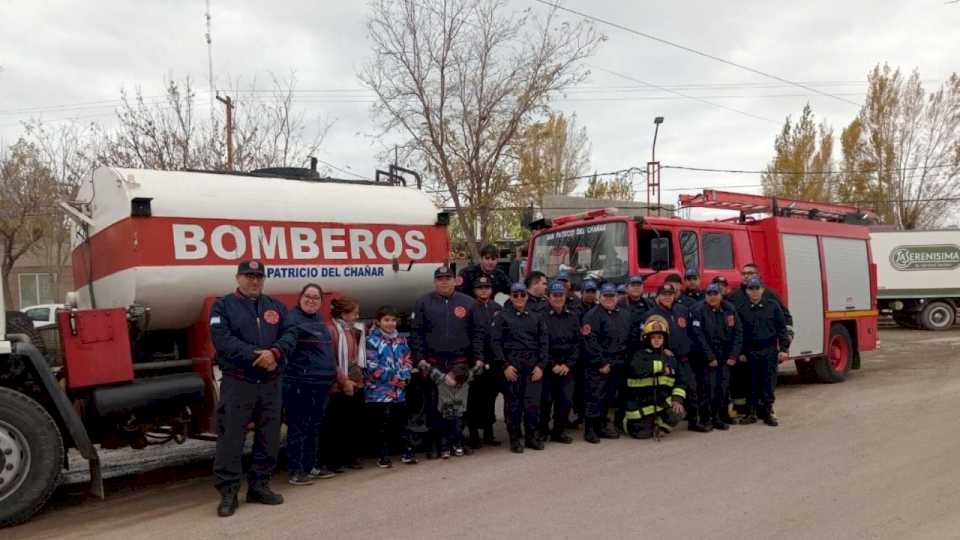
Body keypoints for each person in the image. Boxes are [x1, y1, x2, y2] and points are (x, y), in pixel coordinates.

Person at [209, 260, 296, 517]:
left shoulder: (276, 307)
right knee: (231, 438)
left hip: (270, 383)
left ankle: (259, 486)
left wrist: (275, 353)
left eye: (259, 276)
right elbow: (222, 339)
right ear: (238, 278)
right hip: (238, 382)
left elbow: (290, 334)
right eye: (249, 276)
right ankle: (228, 493)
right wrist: (257, 355)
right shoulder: (223, 306)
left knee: (269, 437)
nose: (254, 281)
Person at [410, 266, 484, 459]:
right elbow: (416, 335)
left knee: (459, 407)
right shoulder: (423, 303)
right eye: (440, 278)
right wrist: (420, 360)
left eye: (447, 278)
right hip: (434, 363)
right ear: (435, 282)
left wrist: (478, 359)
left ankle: (457, 441)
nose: (444, 281)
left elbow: (477, 334)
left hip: (460, 363)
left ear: (455, 280)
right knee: (435, 406)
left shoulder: (468, 303)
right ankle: (436, 444)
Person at [283, 284, 339, 486]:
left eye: (316, 298)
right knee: (298, 427)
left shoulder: (317, 320)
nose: (311, 300)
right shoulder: (291, 319)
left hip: (320, 382)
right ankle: (295, 470)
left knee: (314, 426)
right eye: (308, 296)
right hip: (301, 382)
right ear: (300, 297)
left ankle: (311, 466)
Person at [637, 283, 708, 432]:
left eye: (670, 294)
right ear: (658, 296)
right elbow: (644, 339)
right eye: (664, 294)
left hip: (684, 358)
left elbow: (691, 332)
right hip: (664, 359)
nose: (667, 297)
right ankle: (660, 421)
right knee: (664, 391)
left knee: (692, 388)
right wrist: (663, 351)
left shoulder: (682, 310)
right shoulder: (651, 314)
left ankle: (694, 421)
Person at [726, 264, 793, 416]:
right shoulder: (734, 296)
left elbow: (784, 320)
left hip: (768, 348)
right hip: (746, 350)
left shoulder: (771, 295)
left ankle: (767, 410)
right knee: (745, 381)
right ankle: (745, 410)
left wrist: (785, 345)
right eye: (744, 273)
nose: (746, 276)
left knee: (767, 381)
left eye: (750, 273)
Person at [491, 282, 548, 453]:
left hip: (532, 368)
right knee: (513, 406)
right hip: (512, 368)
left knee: (532, 406)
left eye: (522, 294)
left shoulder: (536, 317)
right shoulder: (502, 316)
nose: (519, 298)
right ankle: (515, 440)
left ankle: (532, 437)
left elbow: (544, 343)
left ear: (527, 296)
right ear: (510, 296)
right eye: (515, 295)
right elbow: (495, 343)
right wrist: (504, 366)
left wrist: (541, 366)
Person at [365, 305, 416, 469]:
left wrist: (405, 378)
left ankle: (407, 452)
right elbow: (373, 367)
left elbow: (408, 360)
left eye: (393, 320)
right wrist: (395, 379)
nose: (390, 323)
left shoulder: (401, 340)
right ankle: (383, 455)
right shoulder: (371, 341)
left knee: (402, 422)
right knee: (382, 426)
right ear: (378, 321)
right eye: (386, 320)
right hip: (379, 392)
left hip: (399, 391)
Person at [320, 297, 367, 472]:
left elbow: (355, 358)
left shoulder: (351, 331)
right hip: (336, 385)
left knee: (351, 422)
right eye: (354, 313)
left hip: (353, 382)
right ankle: (334, 460)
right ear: (344, 314)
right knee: (335, 424)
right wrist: (343, 380)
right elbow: (331, 360)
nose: (357, 316)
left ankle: (349, 456)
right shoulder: (330, 330)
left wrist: (358, 380)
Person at [622, 315, 687, 440]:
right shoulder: (638, 355)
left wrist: (677, 398)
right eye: (653, 337)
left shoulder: (671, 358)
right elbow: (637, 369)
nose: (657, 340)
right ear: (647, 339)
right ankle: (629, 423)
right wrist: (663, 368)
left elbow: (681, 381)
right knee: (642, 435)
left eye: (660, 337)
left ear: (665, 339)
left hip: (661, 404)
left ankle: (661, 427)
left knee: (678, 411)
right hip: (640, 406)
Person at [581, 283, 631, 443]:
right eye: (606, 296)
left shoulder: (623, 314)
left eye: (612, 296)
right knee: (595, 396)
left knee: (608, 397)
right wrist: (601, 363)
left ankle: (602, 426)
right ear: (599, 297)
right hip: (598, 364)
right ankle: (590, 430)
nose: (609, 299)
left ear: (617, 297)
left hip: (617, 363)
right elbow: (590, 341)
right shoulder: (592, 315)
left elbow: (628, 338)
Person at [689, 283, 742, 430]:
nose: (712, 297)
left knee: (722, 388)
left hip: (725, 355)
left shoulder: (729, 309)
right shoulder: (698, 310)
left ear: (721, 295)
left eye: (715, 294)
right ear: (705, 295)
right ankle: (705, 418)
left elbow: (738, 332)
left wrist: (733, 355)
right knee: (707, 390)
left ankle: (718, 417)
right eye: (709, 294)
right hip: (706, 356)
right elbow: (698, 336)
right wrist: (710, 357)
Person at [539, 281, 580, 444]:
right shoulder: (541, 316)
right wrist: (552, 364)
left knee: (566, 401)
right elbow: (540, 344)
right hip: (549, 366)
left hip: (566, 367)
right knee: (546, 401)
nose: (558, 298)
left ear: (565, 296)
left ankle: (558, 431)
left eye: (560, 295)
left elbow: (577, 343)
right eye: (554, 295)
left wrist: (568, 364)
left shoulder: (572, 316)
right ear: (549, 297)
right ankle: (542, 431)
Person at [466, 276, 503, 449]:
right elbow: (469, 336)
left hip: (493, 361)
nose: (484, 290)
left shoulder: (497, 308)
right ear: (475, 290)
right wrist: (475, 359)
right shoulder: (470, 308)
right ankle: (473, 435)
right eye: (480, 288)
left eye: (487, 287)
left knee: (490, 398)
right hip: (476, 361)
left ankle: (489, 433)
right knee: (474, 399)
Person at [421, 361, 483, 458]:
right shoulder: (442, 379)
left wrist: (479, 365)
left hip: (458, 412)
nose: (449, 377)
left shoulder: (466, 380)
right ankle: (444, 449)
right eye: (450, 373)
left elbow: (474, 371)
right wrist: (424, 364)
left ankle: (458, 445)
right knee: (443, 431)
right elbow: (431, 370)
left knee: (457, 430)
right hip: (444, 412)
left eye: (452, 376)